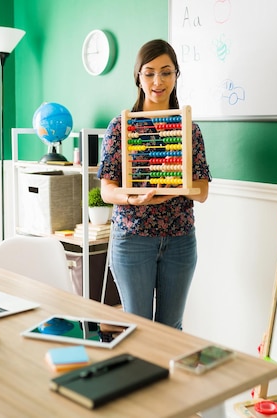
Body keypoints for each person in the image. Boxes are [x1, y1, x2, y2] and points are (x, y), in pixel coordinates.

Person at [97, 39, 211, 330]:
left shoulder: (190, 129)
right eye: (149, 73)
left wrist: (173, 188)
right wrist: (132, 198)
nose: (157, 81)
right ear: (138, 76)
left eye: (166, 72)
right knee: (139, 329)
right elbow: (107, 190)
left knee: (171, 329)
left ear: (176, 75)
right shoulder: (121, 126)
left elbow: (202, 191)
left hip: (180, 240)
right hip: (133, 238)